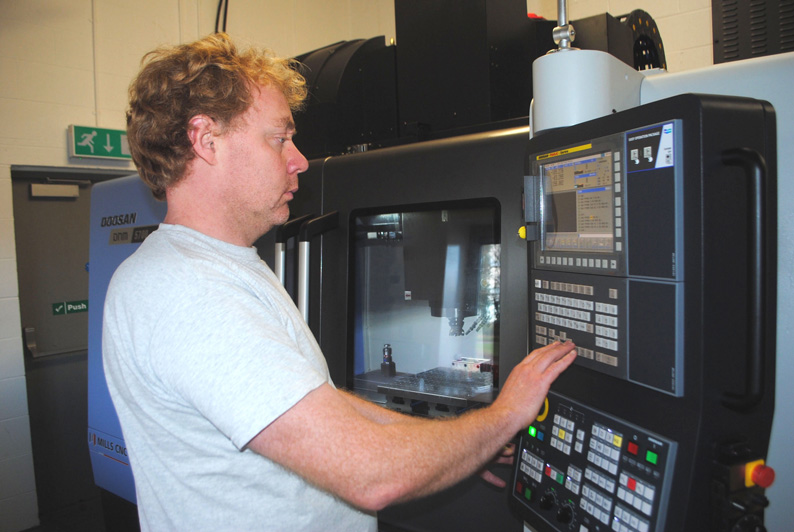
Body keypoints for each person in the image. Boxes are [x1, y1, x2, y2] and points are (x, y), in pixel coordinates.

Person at [103, 32, 577, 531]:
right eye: (279, 137)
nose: (299, 160)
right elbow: (372, 475)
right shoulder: (188, 289)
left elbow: (314, 403)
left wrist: (459, 440)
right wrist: (503, 415)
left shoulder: (219, 266)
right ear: (206, 140)